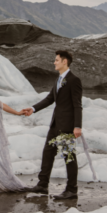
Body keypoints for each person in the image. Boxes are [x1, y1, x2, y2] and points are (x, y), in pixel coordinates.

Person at [22, 49, 84, 200]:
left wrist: (77, 126)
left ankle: (72, 190)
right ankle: (42, 185)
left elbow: (77, 105)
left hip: (67, 126)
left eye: (56, 60)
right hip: (55, 124)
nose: (54, 62)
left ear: (64, 62)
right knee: (48, 152)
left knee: (69, 156)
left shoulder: (74, 80)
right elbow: (50, 98)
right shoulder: (58, 80)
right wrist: (33, 108)